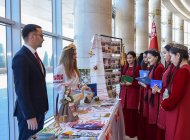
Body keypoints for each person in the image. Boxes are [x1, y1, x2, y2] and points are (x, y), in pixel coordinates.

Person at [12, 24, 48, 140]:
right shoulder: (21, 57)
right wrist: (30, 115)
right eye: (41, 35)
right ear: (32, 36)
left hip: (39, 111)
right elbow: (21, 90)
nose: (43, 39)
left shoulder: (33, 56)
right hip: (29, 114)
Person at [161, 44, 190, 140]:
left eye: (172, 56)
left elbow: (176, 96)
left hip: (179, 110)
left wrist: (164, 104)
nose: (171, 59)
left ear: (178, 55)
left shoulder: (183, 71)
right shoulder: (187, 69)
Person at [53, 43, 87, 111]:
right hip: (65, 103)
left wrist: (81, 87)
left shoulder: (74, 69)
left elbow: (75, 84)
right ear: (68, 56)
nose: (76, 56)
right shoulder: (59, 69)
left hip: (76, 101)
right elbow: (56, 86)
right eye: (74, 54)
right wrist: (69, 89)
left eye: (76, 54)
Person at [152, 43, 175, 140]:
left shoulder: (174, 68)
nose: (164, 55)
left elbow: (171, 88)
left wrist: (159, 89)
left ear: (172, 53)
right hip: (163, 97)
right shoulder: (169, 66)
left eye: (165, 53)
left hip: (166, 98)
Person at [120, 51, 141, 138]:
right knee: (125, 114)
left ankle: (133, 132)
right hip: (124, 93)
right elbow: (122, 78)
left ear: (134, 58)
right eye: (127, 58)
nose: (129, 60)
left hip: (133, 94)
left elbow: (139, 82)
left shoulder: (138, 68)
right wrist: (121, 82)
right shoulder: (125, 67)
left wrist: (131, 84)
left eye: (130, 58)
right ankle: (126, 132)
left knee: (132, 114)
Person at [146, 49, 164, 140]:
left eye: (150, 58)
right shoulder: (153, 66)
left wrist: (148, 85)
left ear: (156, 57)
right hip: (151, 94)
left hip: (155, 96)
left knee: (154, 116)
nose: (148, 60)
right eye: (148, 58)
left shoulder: (159, 67)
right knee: (151, 116)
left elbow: (158, 84)